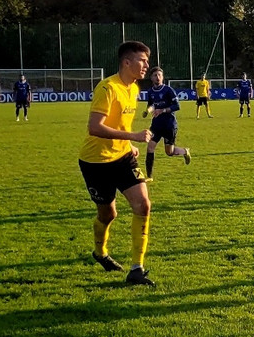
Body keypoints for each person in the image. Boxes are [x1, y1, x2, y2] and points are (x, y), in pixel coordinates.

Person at [79, 41, 155, 286]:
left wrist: (128, 143)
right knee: (108, 214)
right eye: (142, 60)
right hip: (96, 161)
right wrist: (133, 136)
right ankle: (100, 252)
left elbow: (120, 122)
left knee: (143, 204)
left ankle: (136, 269)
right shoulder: (107, 88)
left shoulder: (134, 88)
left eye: (147, 61)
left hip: (123, 157)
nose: (146, 65)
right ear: (127, 62)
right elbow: (94, 127)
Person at [143, 66, 191, 181]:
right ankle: (149, 176)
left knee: (169, 152)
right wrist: (147, 111)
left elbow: (177, 106)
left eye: (159, 75)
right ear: (151, 78)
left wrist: (163, 110)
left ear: (162, 77)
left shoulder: (168, 90)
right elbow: (151, 105)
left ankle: (185, 151)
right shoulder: (150, 92)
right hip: (156, 125)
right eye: (155, 75)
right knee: (150, 148)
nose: (157, 77)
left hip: (169, 125)